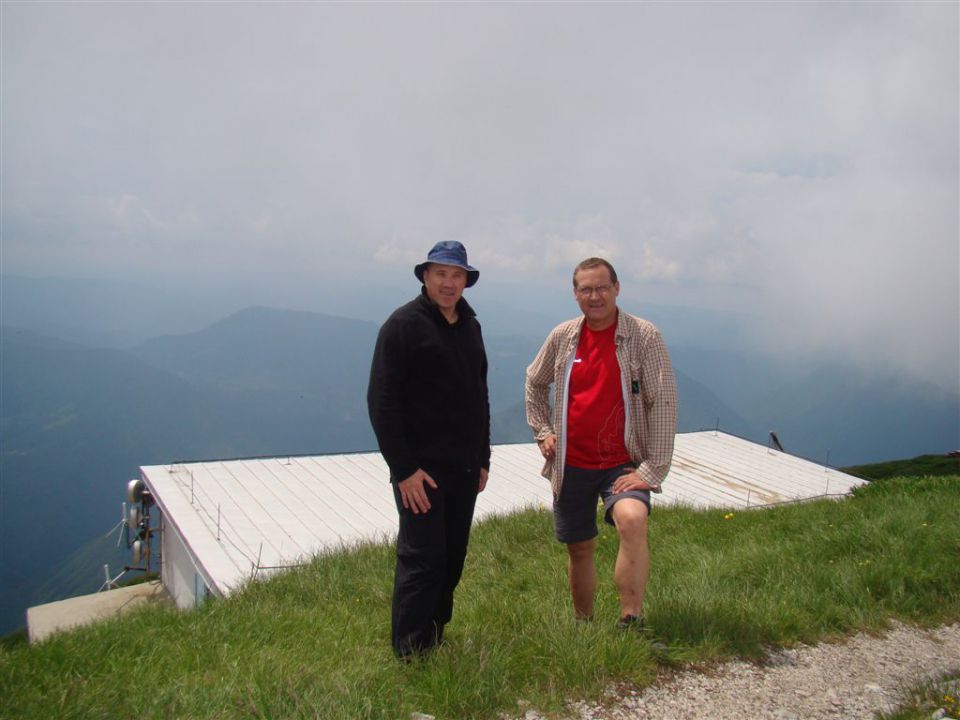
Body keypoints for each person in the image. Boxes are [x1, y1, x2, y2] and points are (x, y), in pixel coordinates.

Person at [524, 257, 677, 630]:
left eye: (602, 287)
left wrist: (652, 469)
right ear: (575, 294)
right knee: (579, 548)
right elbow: (534, 381)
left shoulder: (644, 336)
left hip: (621, 462)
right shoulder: (563, 336)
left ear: (617, 288)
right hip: (571, 462)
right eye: (586, 289)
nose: (595, 296)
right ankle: (584, 624)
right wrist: (543, 431)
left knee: (632, 519)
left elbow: (664, 400)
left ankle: (630, 617)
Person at [367, 240, 491, 659]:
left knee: (452, 556)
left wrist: (483, 459)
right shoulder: (403, 326)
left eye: (457, 275)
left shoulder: (470, 326)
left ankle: (434, 639)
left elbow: (480, 396)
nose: (449, 283)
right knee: (422, 558)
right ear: (425, 276)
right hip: (420, 471)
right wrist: (403, 470)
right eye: (441, 273)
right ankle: (409, 654)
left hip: (463, 468)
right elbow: (381, 402)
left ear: (466, 281)